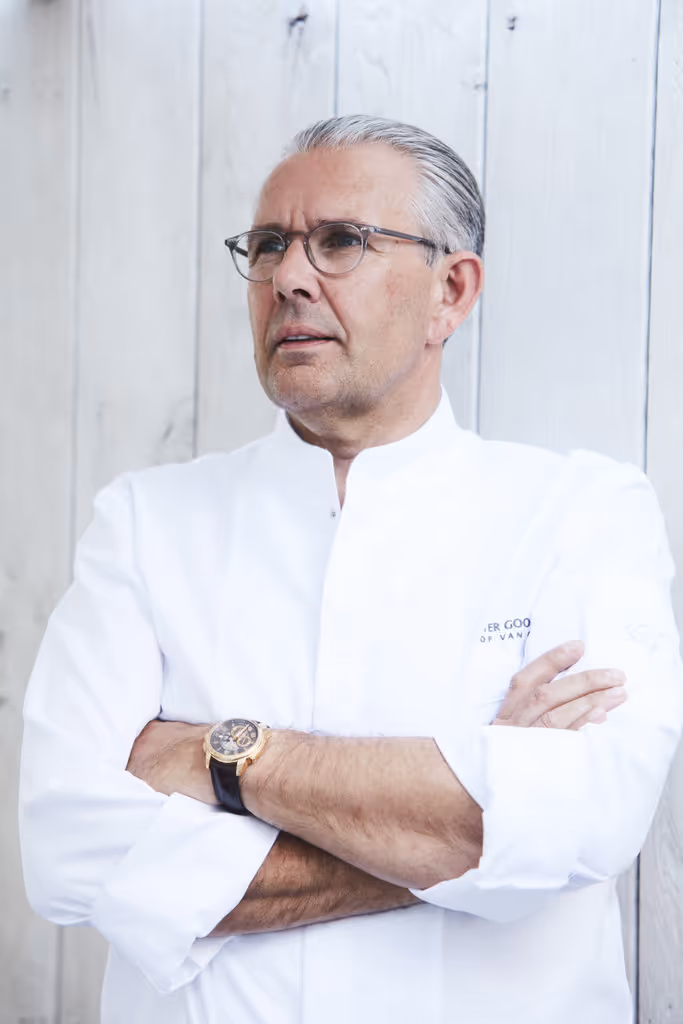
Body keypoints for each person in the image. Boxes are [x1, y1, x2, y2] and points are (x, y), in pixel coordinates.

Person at [19, 115, 683, 1024]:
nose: (288, 277)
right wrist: (468, 822)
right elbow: (65, 852)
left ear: (450, 290)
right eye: (268, 245)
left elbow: (587, 818)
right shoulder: (145, 523)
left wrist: (224, 756)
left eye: (340, 241)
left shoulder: (581, 511)